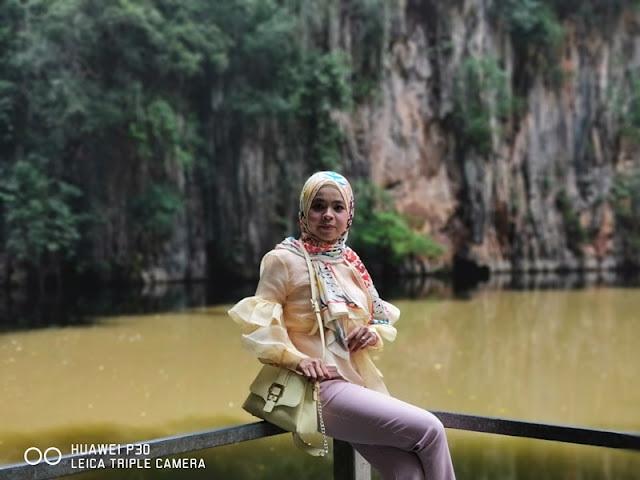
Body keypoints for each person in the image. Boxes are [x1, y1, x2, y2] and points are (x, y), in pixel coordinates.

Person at [229, 171, 456, 480]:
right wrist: (300, 360)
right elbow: (263, 330)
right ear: (303, 211)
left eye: (338, 207)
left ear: (349, 214)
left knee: (408, 473)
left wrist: (370, 332)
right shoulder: (282, 260)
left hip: (356, 384)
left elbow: (375, 320)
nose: (327, 215)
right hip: (319, 389)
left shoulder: (350, 262)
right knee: (431, 431)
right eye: (318, 206)